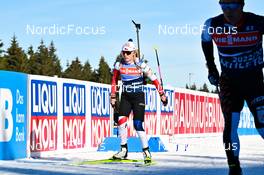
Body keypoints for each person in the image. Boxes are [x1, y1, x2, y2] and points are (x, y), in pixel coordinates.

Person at [201, 0, 264, 174]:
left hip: (254, 81)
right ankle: (234, 167)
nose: (228, 11)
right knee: (230, 124)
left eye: (233, 7)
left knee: (262, 123)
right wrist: (212, 69)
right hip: (229, 83)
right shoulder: (212, 25)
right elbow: (205, 42)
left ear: (242, 6)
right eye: (224, 7)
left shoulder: (257, 22)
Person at [110, 39, 168, 164]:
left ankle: (146, 151)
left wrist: (162, 94)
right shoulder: (118, 65)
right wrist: (113, 96)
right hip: (125, 96)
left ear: (134, 53)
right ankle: (124, 150)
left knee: (137, 125)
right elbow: (114, 79)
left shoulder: (140, 65)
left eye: (128, 53)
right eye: (123, 52)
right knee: (121, 121)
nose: (125, 55)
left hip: (138, 97)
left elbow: (154, 79)